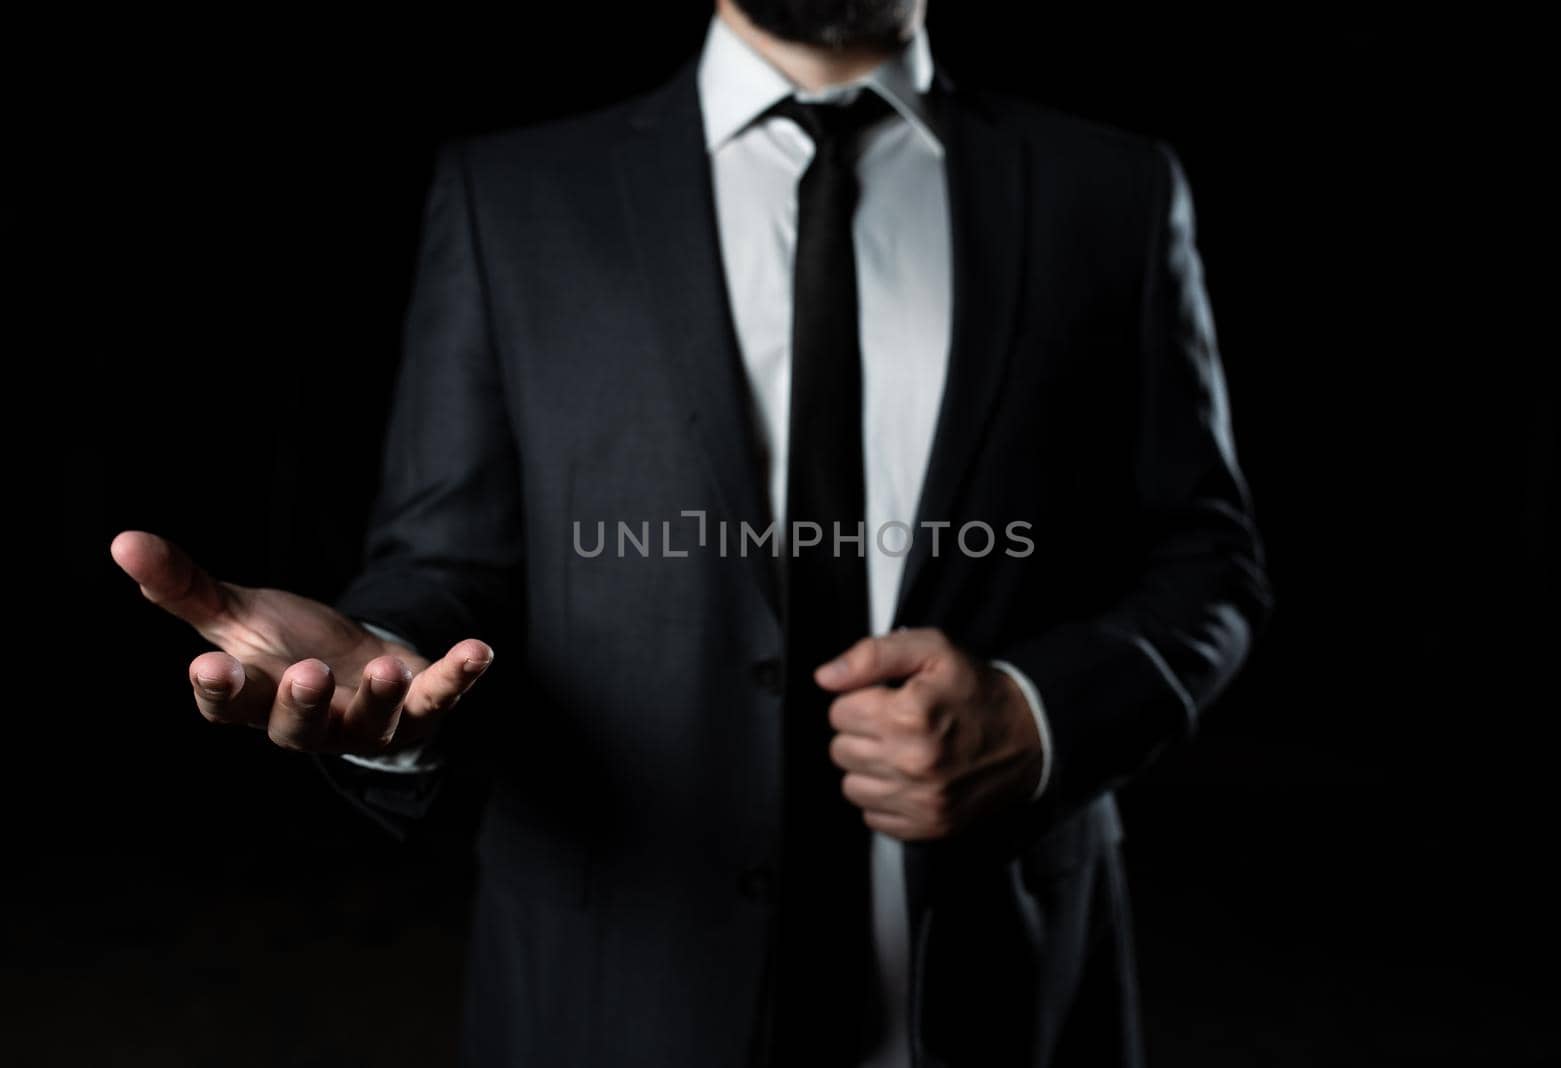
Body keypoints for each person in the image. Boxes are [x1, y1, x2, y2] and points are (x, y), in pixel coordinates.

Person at [110, 1, 1270, 1064]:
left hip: (1001, 997)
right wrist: (380, 658)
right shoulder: (513, 196)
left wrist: (1040, 715)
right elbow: (450, 560)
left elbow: (1206, 559)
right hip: (613, 1000)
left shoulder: (1109, 189)